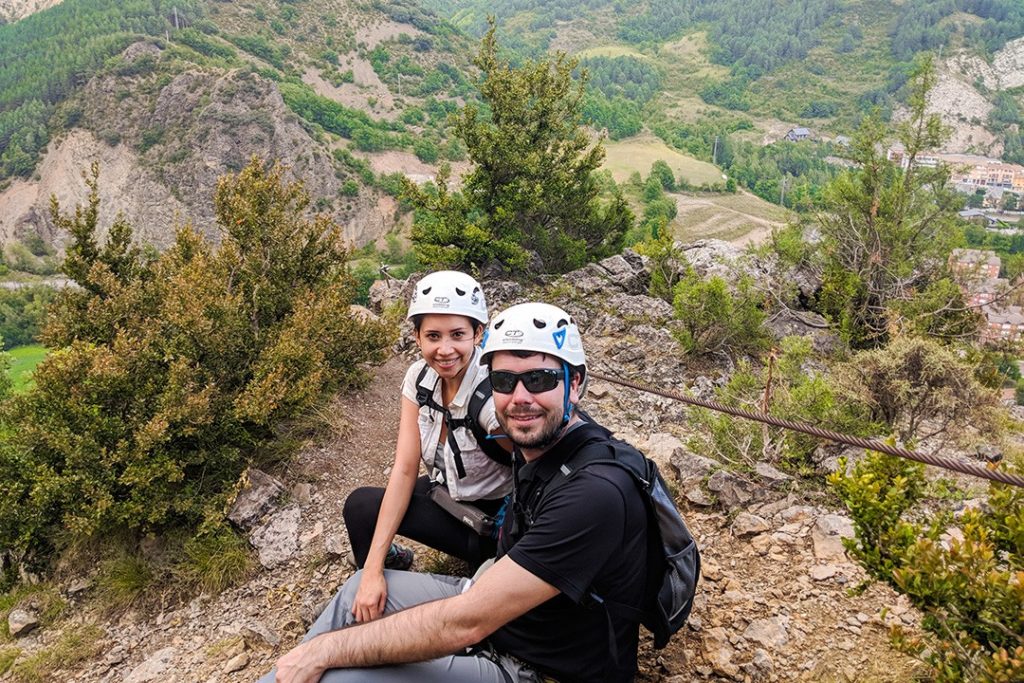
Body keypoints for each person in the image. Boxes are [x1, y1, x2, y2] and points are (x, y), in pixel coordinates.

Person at [260, 303, 650, 683]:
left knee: (336, 672)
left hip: (533, 664)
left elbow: (465, 623)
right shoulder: (536, 443)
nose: (519, 398)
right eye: (503, 381)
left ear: (575, 383)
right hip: (502, 609)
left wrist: (323, 651)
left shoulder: (594, 493)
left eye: (540, 379)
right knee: (353, 594)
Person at [341, 271, 512, 624]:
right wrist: (372, 570)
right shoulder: (419, 378)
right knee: (360, 507)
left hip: (493, 521)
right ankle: (386, 579)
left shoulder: (498, 390)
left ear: (479, 333)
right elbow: (405, 469)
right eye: (432, 336)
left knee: (482, 588)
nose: (444, 349)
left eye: (458, 335)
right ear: (417, 337)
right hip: (448, 497)